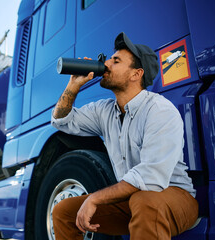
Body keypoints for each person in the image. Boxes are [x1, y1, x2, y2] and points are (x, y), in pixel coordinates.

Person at [50, 32, 198, 240]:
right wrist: (73, 86)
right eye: (110, 58)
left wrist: (94, 199)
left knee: (144, 200)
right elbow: (61, 121)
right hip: (133, 199)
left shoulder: (159, 110)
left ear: (136, 74)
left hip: (173, 196)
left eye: (116, 60)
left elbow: (150, 177)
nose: (107, 63)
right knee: (63, 211)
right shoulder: (105, 111)